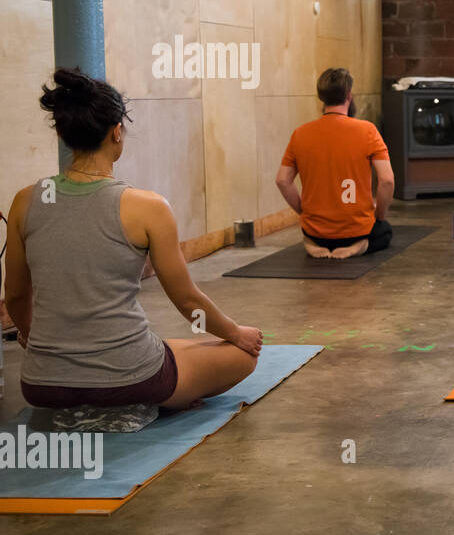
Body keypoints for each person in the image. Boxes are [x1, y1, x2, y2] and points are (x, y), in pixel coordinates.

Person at [3, 68, 261, 411]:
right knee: (242, 356)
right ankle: (160, 394)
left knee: (171, 348)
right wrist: (236, 333)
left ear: (64, 135)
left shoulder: (25, 201)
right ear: (117, 132)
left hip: (42, 385)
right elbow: (186, 300)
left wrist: (36, 341)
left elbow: (16, 296)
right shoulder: (148, 207)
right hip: (130, 379)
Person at [276, 68, 395, 259]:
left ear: (322, 98)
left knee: (312, 235)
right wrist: (379, 217)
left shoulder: (300, 134)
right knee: (385, 231)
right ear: (349, 96)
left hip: (316, 232)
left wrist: (303, 211)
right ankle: (358, 246)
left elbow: (282, 180)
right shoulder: (367, 131)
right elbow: (387, 180)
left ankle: (311, 244)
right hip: (357, 231)